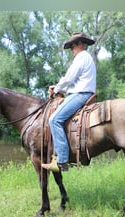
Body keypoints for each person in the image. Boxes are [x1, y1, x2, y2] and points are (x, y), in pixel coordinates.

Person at [41, 32, 96, 172]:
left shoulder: (81, 56)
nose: (71, 49)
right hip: (82, 92)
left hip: (80, 94)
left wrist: (56, 89)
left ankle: (62, 160)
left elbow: (69, 78)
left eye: (72, 45)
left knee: (54, 119)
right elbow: (73, 81)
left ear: (79, 44)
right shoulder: (86, 58)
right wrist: (58, 88)